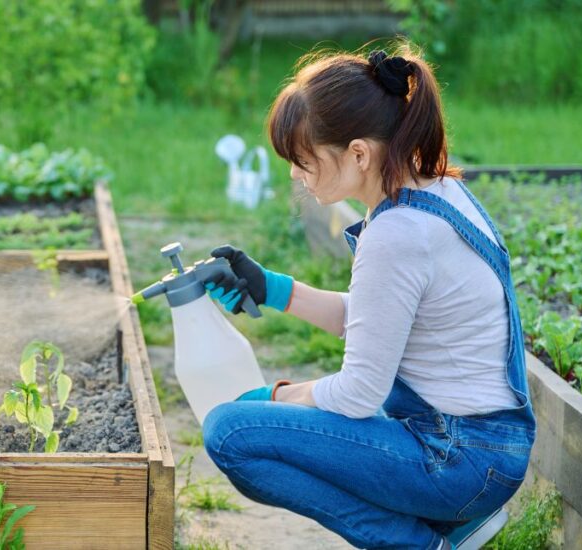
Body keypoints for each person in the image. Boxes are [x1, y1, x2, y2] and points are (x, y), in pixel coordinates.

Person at [200, 43, 536, 550]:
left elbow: (358, 394)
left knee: (230, 432)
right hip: (482, 450)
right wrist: (274, 289)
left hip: (457, 458)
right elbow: (381, 321)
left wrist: (276, 397)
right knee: (252, 428)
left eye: (304, 159)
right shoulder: (435, 191)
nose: (294, 174)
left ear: (358, 153)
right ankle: (446, 526)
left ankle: (417, 543)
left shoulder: (398, 233)